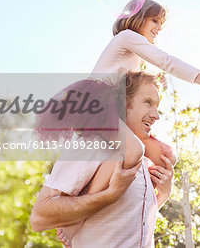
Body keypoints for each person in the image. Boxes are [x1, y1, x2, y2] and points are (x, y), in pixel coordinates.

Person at [36, 0, 200, 246]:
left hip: (113, 111)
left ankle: (137, 203)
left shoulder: (135, 53)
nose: (158, 27)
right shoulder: (127, 38)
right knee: (133, 150)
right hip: (97, 106)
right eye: (155, 20)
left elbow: (144, 79)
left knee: (166, 156)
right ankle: (75, 222)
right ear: (136, 18)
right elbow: (168, 61)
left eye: (161, 23)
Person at [30, 71, 174, 247]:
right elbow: (39, 217)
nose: (156, 115)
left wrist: (163, 195)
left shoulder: (144, 160)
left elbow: (131, 222)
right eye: (147, 103)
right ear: (124, 103)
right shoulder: (93, 145)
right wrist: (108, 196)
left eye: (157, 106)